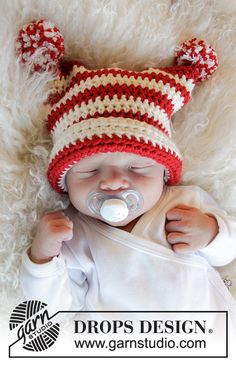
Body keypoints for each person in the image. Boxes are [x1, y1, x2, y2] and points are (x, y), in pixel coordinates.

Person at [17, 20, 236, 319]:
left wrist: (211, 232)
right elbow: (50, 308)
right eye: (91, 171)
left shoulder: (183, 204)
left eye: (137, 167)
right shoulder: (75, 235)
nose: (115, 181)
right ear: (65, 181)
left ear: (164, 173)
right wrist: (41, 256)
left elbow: (227, 253)